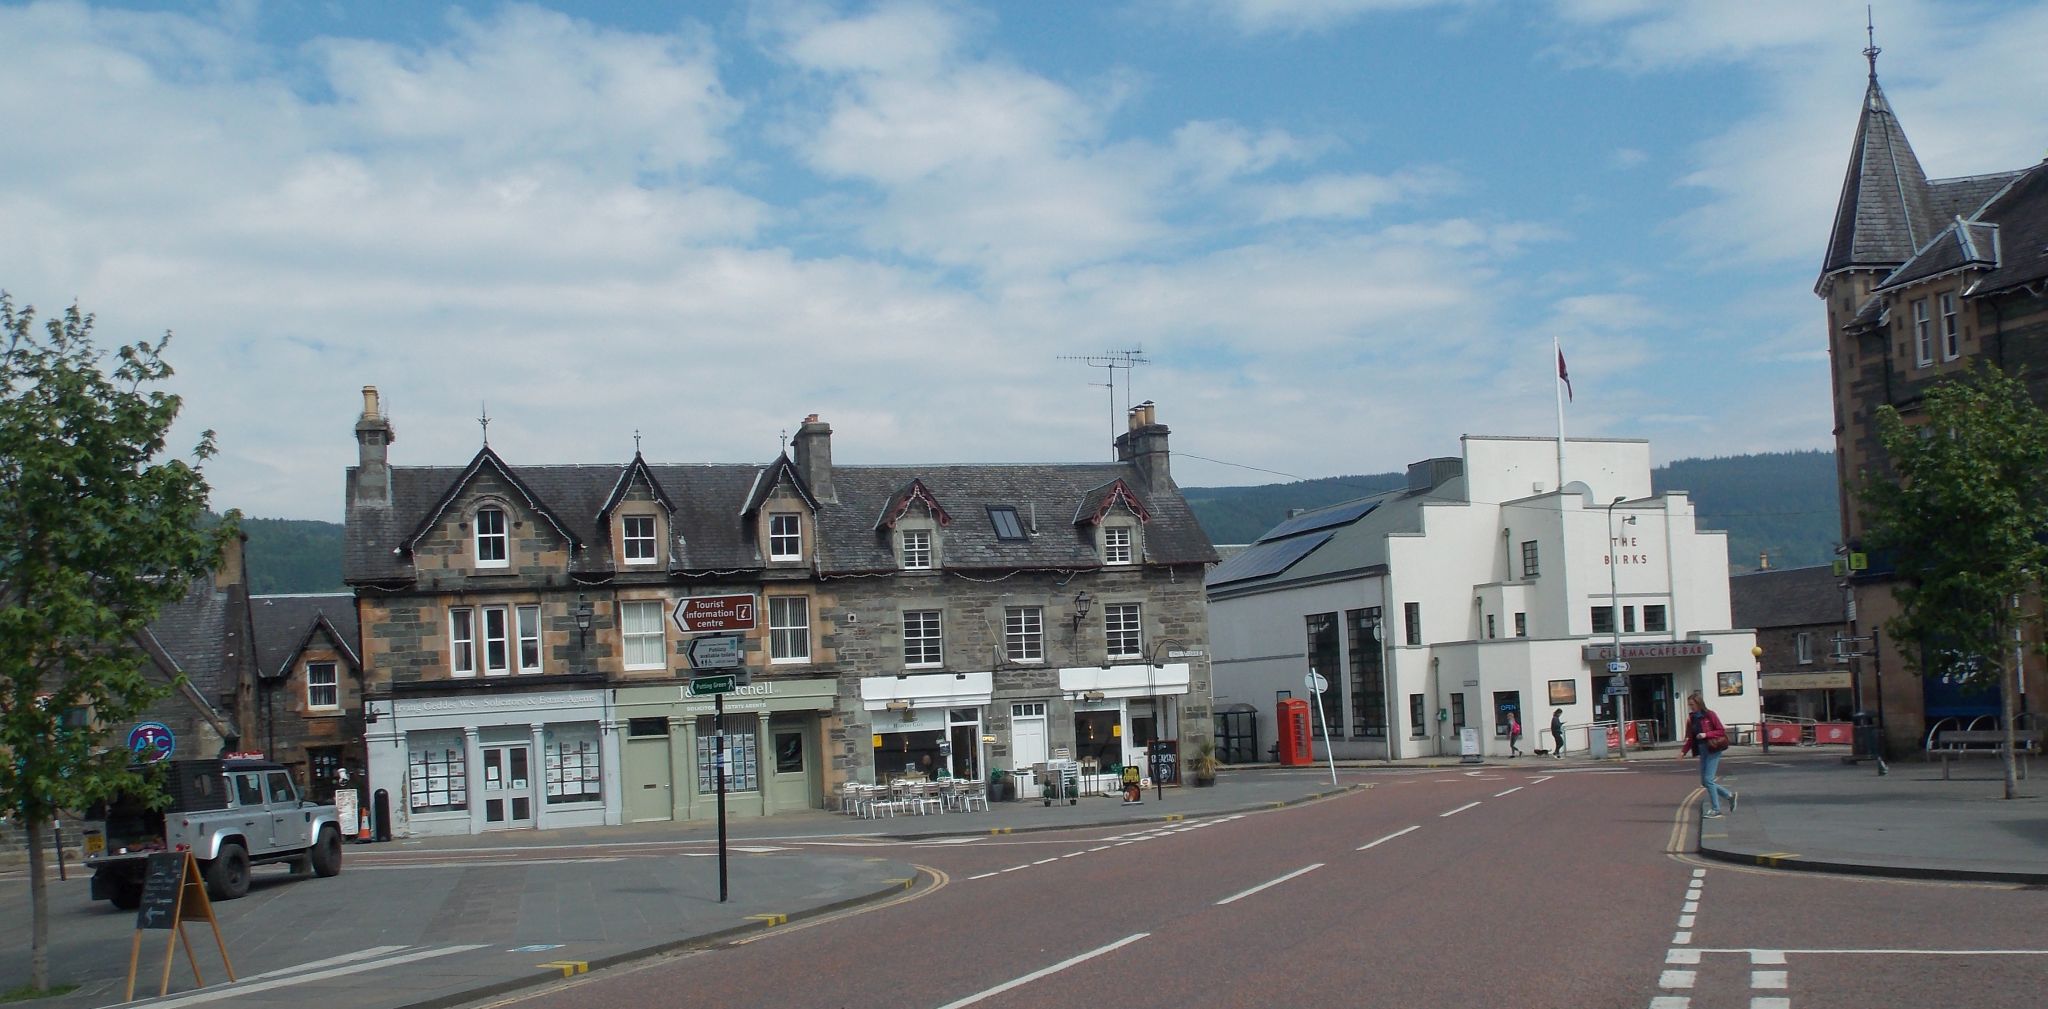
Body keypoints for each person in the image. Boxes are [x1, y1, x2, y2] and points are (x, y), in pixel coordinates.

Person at [1680, 691, 1737, 817]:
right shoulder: (1692, 718)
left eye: (1692, 704)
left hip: (1713, 748)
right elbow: (1691, 738)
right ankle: (1728, 795)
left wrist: (1706, 734)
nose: (1691, 707)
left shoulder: (1710, 715)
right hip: (1702, 750)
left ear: (1699, 703)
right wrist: (1683, 752)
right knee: (1705, 782)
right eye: (1689, 705)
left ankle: (1716, 809)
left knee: (1708, 780)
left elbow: (1721, 730)